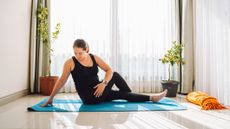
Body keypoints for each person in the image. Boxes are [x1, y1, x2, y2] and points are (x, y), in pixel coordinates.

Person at [41, 39, 167, 106]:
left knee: (120, 93)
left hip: (100, 90)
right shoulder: (70, 62)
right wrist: (51, 98)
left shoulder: (94, 57)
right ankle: (131, 95)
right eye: (75, 53)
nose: (78, 55)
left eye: (80, 53)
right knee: (117, 77)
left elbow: (108, 69)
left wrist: (104, 84)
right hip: (89, 97)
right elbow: (61, 81)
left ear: (87, 49)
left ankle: (152, 98)